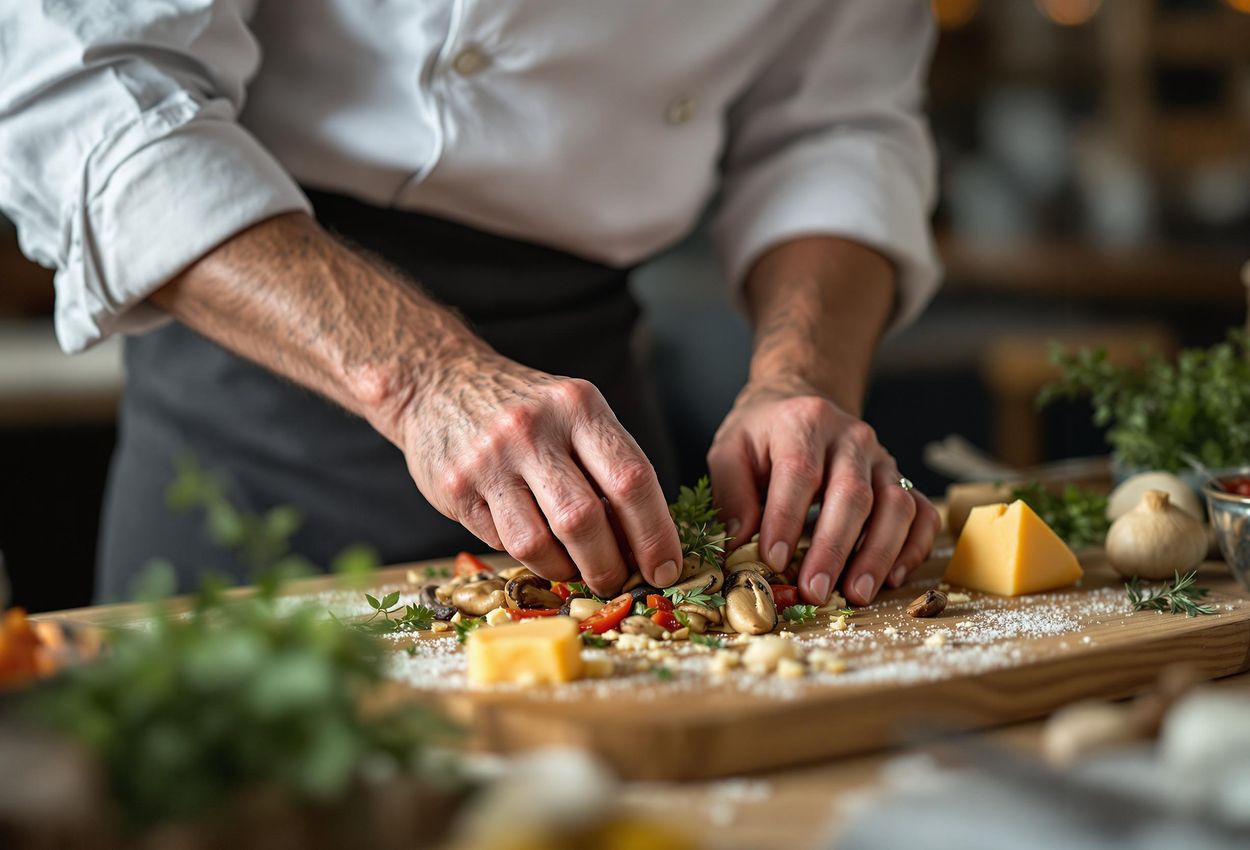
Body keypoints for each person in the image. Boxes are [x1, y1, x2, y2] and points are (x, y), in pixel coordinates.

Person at [0, 1, 942, 607]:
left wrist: (798, 376)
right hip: (269, 366)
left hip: (595, 423)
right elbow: (91, 84)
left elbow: (837, 127)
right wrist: (424, 377)